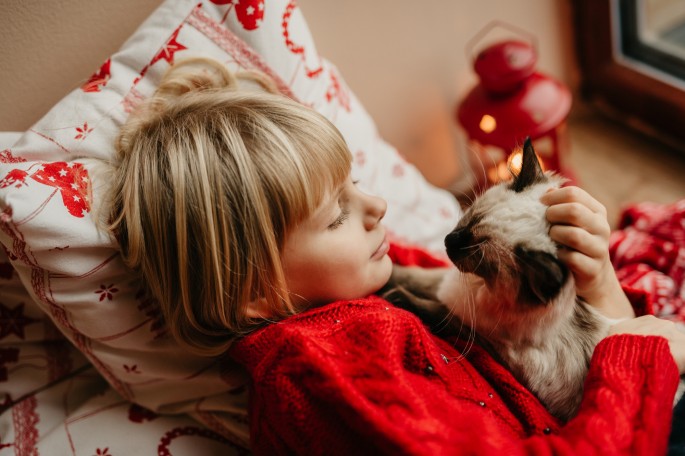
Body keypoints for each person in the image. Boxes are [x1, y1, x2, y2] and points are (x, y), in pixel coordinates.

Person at [107, 57, 684, 455]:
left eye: (355, 183)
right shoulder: (322, 375)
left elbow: (507, 314)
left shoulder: (359, 279)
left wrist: (597, 281)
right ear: (257, 291)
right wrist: (636, 355)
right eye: (336, 213)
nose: (378, 204)